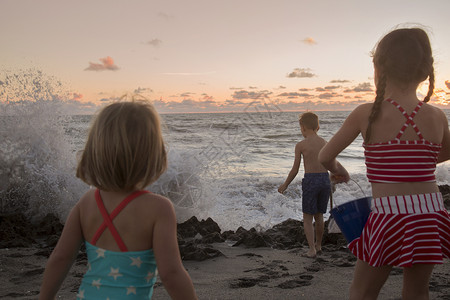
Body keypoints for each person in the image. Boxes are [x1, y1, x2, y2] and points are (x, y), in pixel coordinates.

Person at [318, 27, 450, 300]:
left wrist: (338, 170)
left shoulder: (365, 113)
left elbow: (324, 156)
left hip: (388, 215)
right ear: (425, 73)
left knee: (363, 291)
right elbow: (442, 153)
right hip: (430, 213)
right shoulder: (437, 116)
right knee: (417, 291)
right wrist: (413, 162)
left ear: (379, 69)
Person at [39, 101, 198, 300]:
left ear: (96, 151)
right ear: (152, 155)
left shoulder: (87, 202)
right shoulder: (159, 208)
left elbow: (61, 258)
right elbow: (171, 274)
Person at [278, 112, 343, 258]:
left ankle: (311, 249)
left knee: (307, 218)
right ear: (317, 126)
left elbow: (295, 169)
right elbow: (332, 164)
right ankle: (319, 246)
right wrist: (332, 182)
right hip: (324, 180)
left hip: (311, 181)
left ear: (303, 127)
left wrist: (285, 184)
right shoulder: (325, 142)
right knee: (319, 215)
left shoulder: (301, 145)